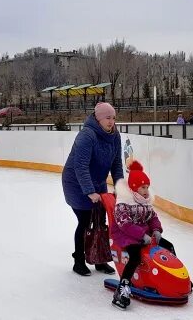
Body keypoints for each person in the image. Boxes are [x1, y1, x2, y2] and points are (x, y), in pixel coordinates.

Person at [62, 102, 124, 276]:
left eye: (113, 118)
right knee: (85, 221)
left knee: (100, 222)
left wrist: (119, 186)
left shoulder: (115, 135)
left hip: (97, 182)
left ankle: (99, 259)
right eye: (107, 118)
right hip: (75, 182)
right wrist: (89, 191)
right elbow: (80, 166)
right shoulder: (86, 136)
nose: (111, 121)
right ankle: (79, 261)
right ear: (98, 118)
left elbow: (116, 163)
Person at [110, 160, 176, 309]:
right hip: (124, 235)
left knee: (168, 247)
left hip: (142, 234)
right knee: (135, 256)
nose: (146, 190)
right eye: (143, 187)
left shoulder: (145, 201)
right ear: (134, 187)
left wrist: (157, 230)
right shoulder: (123, 203)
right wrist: (142, 235)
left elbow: (152, 218)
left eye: (147, 187)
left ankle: (173, 278)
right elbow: (125, 225)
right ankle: (122, 288)